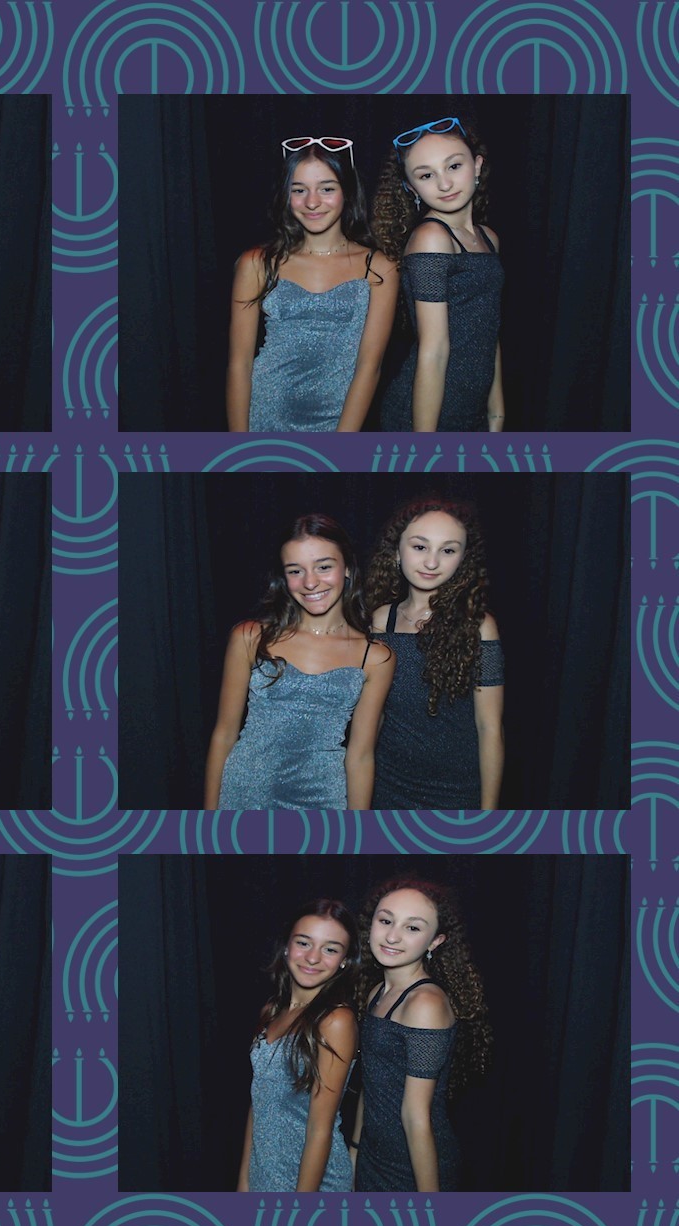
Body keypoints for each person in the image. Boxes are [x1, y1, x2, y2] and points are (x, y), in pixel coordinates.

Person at [204, 513, 395, 810]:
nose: (310, 582)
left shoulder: (375, 658)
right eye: (295, 571)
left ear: (347, 567)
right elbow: (224, 735)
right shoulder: (250, 637)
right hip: (244, 796)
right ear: (284, 577)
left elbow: (360, 756)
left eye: (324, 567)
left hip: (324, 799)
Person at [227, 136, 397, 432]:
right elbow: (239, 364)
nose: (312, 202)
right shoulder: (256, 263)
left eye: (327, 188)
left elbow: (369, 366)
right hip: (265, 419)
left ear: (347, 191)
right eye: (299, 190)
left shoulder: (379, 267)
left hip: (339, 424)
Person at [351, 877, 491, 1192]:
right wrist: (355, 1151)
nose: (392, 936)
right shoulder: (376, 992)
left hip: (413, 1170)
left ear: (435, 942)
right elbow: (370, 1085)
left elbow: (416, 1116)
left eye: (412, 927)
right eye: (385, 920)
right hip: (373, 1158)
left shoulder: (425, 1003)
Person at [366, 497, 504, 809]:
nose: (431, 562)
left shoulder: (479, 626)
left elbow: (490, 728)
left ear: (463, 560)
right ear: (397, 551)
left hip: (456, 793)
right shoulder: (381, 620)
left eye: (448, 550)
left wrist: (489, 813)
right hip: (386, 787)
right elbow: (373, 719)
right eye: (420, 547)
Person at [374, 116, 504, 432]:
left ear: (477, 166)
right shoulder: (431, 238)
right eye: (426, 175)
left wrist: (496, 413)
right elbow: (433, 351)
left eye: (454, 166)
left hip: (472, 410)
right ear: (411, 187)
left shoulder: (488, 237)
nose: (444, 184)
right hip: (428, 415)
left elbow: (488, 332)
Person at [237, 899, 358, 1193]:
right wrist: (244, 1182)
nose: (313, 958)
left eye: (330, 949)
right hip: (264, 1175)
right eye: (304, 943)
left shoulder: (336, 1021)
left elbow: (320, 1129)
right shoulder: (271, 1012)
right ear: (287, 947)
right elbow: (259, 1103)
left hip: (312, 1184)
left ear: (344, 960)